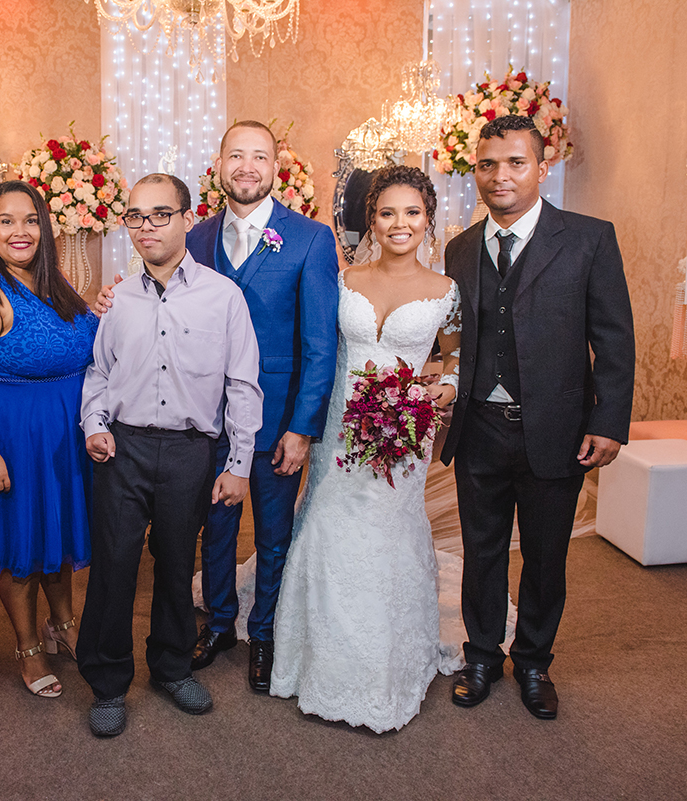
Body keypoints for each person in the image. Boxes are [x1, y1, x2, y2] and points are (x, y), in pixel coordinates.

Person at [440, 115, 635, 720]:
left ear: (542, 168)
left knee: (548, 555)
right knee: (483, 548)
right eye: (488, 164)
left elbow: (615, 338)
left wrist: (608, 420)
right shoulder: (461, 246)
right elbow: (455, 339)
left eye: (516, 163)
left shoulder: (588, 239)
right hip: (479, 428)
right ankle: (480, 654)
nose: (500, 176)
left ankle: (533, 662)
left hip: (556, 428)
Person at [270, 165, 461, 733]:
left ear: (428, 221)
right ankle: (315, 659)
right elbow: (317, 344)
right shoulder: (345, 278)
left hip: (404, 430)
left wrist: (444, 387)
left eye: (411, 213)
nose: (399, 224)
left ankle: (382, 670)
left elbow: (453, 355)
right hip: (338, 423)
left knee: (385, 534)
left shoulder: (446, 291)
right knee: (327, 524)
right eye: (387, 213)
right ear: (371, 221)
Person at [77, 174, 263, 737]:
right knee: (114, 565)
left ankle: (172, 667)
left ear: (188, 217)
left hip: (190, 449)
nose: (147, 227)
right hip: (123, 448)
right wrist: (94, 424)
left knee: (180, 563)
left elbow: (242, 383)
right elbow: (99, 373)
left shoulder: (222, 296)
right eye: (135, 216)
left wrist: (239, 463)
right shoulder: (118, 300)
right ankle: (108, 683)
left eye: (161, 214)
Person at [185, 121, 339, 693]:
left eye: (260, 156)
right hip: (206, 418)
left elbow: (321, 344)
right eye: (235, 155)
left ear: (276, 168)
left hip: (277, 422)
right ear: (219, 164)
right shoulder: (195, 239)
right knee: (215, 526)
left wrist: (302, 428)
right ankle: (221, 621)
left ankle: (266, 631)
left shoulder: (309, 238)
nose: (247, 166)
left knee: (273, 532)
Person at [0, 181, 98, 699]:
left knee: (56, 537)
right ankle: (29, 648)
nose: (19, 231)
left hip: (65, 435)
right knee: (18, 543)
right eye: (6, 220)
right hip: (13, 436)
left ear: (44, 227)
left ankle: (64, 623)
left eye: (30, 220)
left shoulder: (58, 282)